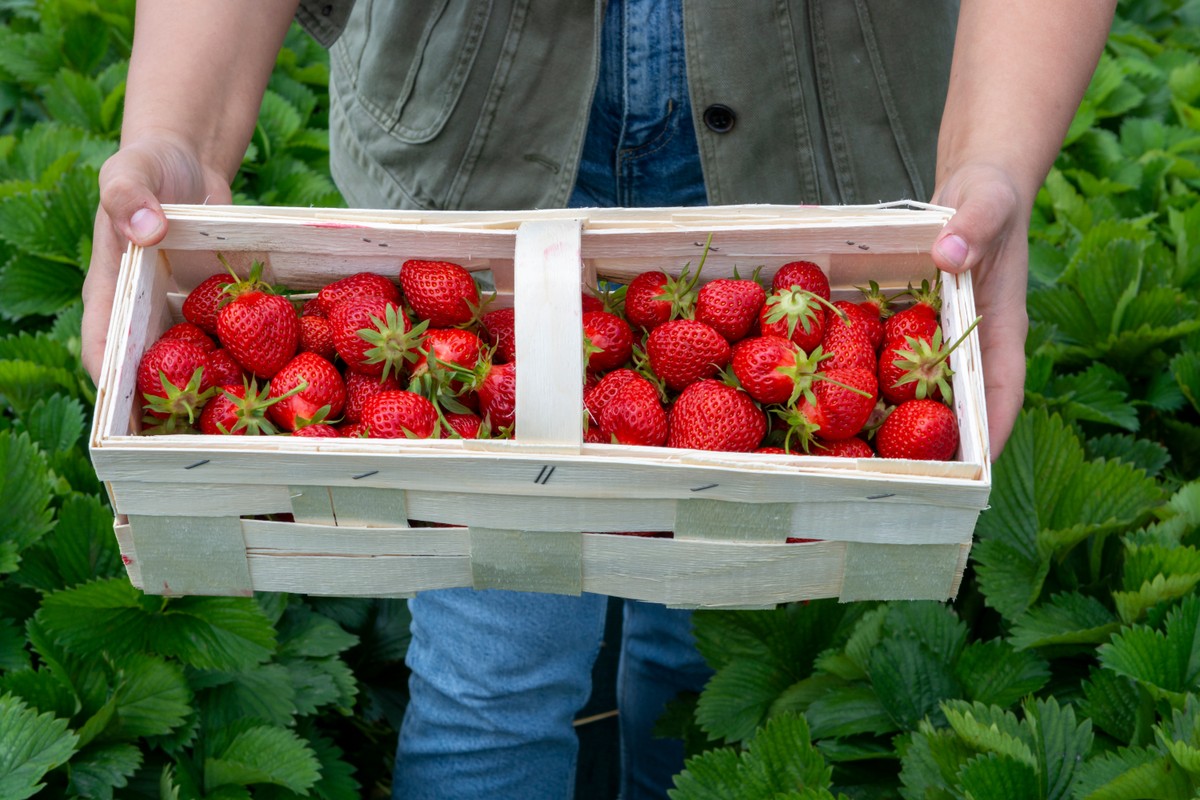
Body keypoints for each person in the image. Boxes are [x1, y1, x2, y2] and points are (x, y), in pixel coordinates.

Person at [80, 1, 1117, 797]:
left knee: (712, 642)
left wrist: (991, 158)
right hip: (473, 162)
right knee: (493, 663)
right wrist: (184, 132)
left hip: (819, 152)